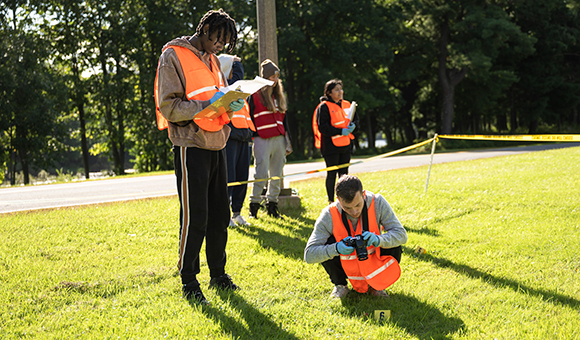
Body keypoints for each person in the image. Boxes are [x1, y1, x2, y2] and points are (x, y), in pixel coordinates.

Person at [154, 9, 244, 304]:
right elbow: (168, 107)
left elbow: (217, 97)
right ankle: (189, 280)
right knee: (196, 217)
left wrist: (232, 102)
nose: (220, 46)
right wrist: (206, 104)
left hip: (217, 143)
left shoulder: (215, 61)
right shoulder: (172, 55)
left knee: (220, 215)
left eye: (225, 42)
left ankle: (218, 274)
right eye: (218, 39)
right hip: (190, 145)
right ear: (204, 29)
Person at [304, 175, 407, 299]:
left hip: (374, 258)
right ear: (338, 199)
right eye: (347, 207)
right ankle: (340, 285)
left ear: (363, 194)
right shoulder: (328, 214)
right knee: (327, 244)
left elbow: (401, 235)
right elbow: (309, 255)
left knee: (393, 243)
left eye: (358, 205)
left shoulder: (377, 202)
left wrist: (379, 240)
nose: (354, 212)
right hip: (345, 265)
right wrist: (336, 248)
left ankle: (377, 287)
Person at [248, 59, 289, 219]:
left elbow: (285, 121)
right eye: (272, 76)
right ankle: (254, 206)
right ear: (265, 77)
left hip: (279, 139)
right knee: (261, 173)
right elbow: (249, 116)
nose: (275, 79)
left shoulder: (279, 96)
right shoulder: (255, 95)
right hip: (261, 139)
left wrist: (287, 140)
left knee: (277, 174)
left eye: (277, 76)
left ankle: (272, 205)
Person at [218, 54, 254, 227]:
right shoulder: (225, 86)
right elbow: (237, 77)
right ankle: (225, 215)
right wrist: (236, 62)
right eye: (233, 67)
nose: (238, 70)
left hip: (244, 137)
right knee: (229, 177)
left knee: (242, 177)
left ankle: (237, 213)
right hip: (230, 138)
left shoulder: (240, 90)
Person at [312, 79, 358, 204]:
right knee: (331, 174)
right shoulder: (324, 107)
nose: (340, 92)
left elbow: (355, 120)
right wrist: (339, 131)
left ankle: (344, 200)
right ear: (329, 93)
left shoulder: (348, 105)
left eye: (341, 89)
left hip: (346, 145)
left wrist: (353, 126)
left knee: (344, 176)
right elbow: (323, 127)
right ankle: (331, 201)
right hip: (330, 147)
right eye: (336, 90)